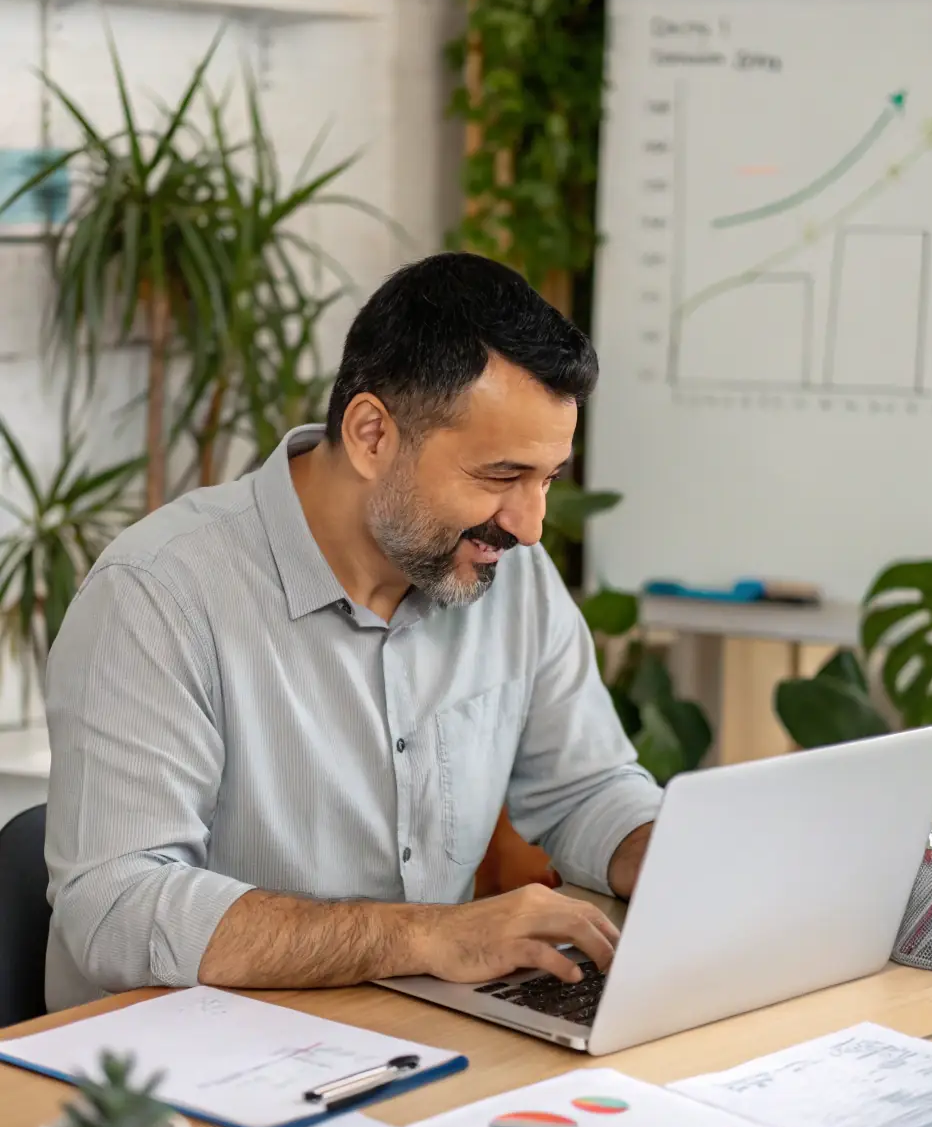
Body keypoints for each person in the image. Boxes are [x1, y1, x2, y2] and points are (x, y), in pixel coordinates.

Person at [43, 252, 661, 1012]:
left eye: (548, 479)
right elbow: (117, 908)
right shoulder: (158, 593)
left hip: (416, 1033)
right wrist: (425, 935)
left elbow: (587, 788)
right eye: (502, 477)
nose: (530, 527)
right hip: (184, 1058)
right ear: (371, 434)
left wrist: (663, 855)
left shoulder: (508, 573)